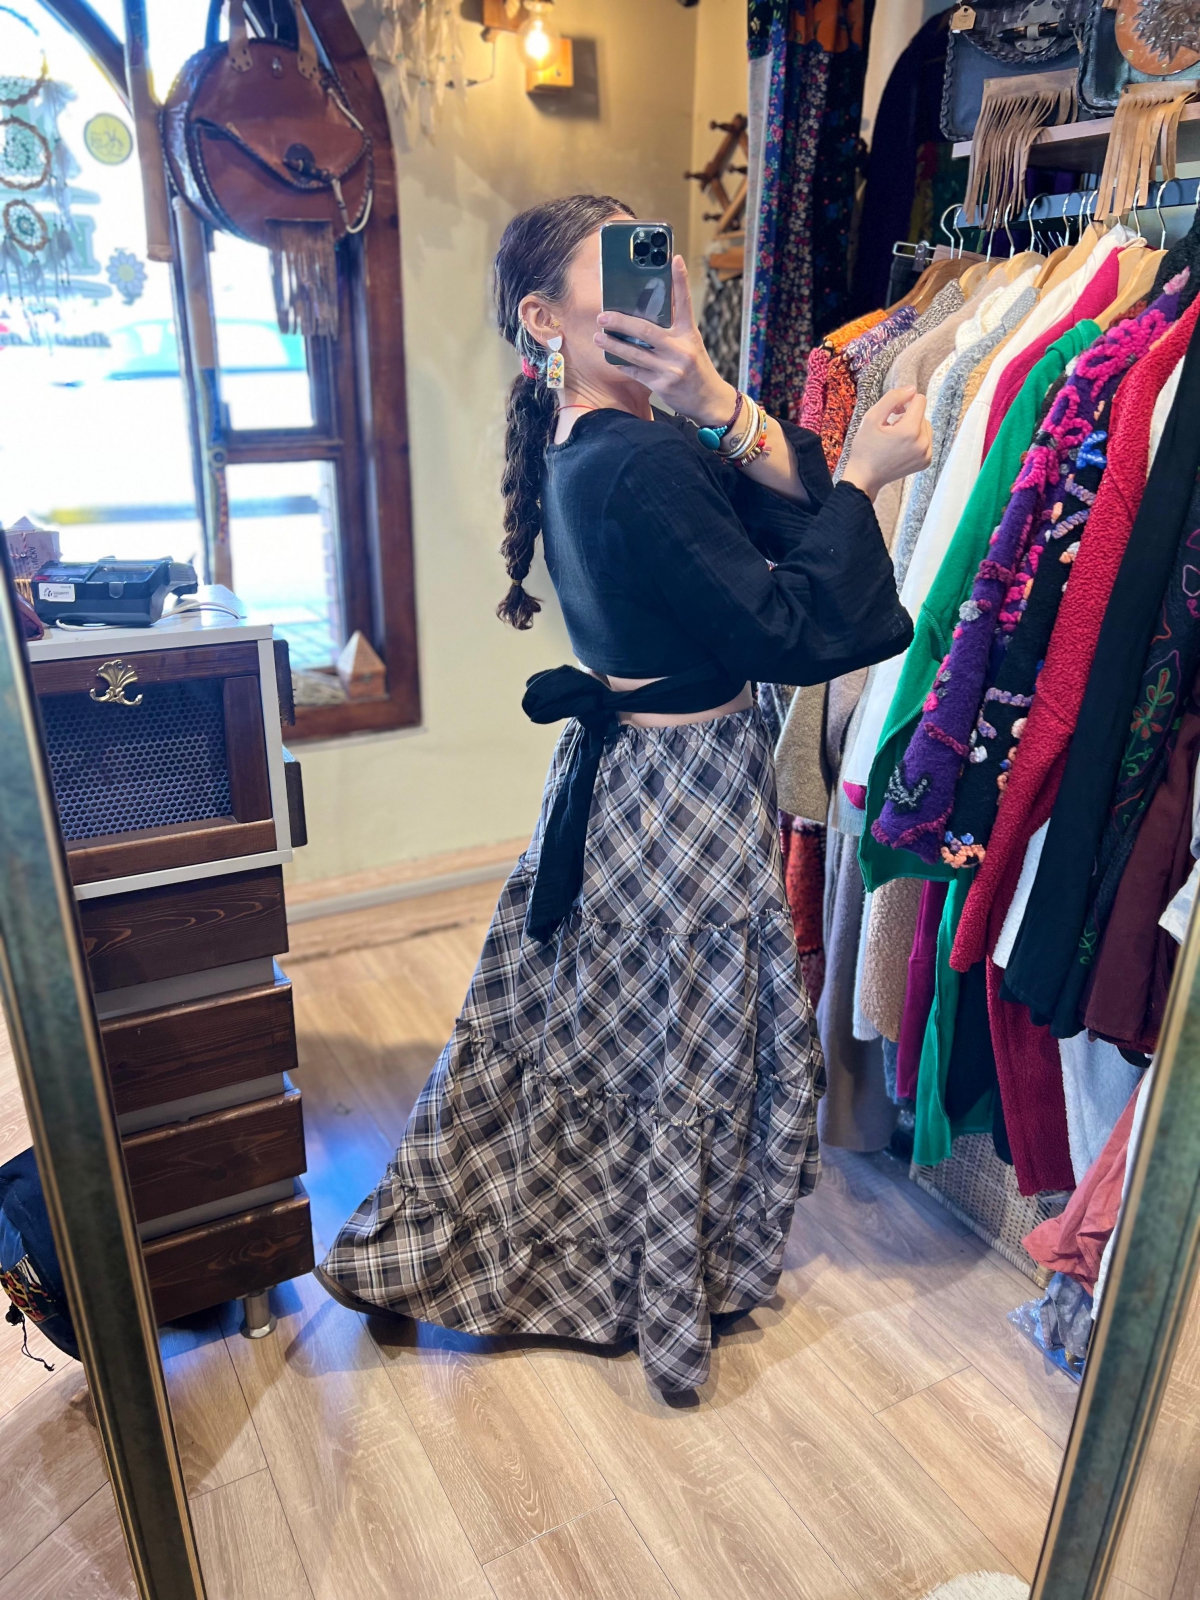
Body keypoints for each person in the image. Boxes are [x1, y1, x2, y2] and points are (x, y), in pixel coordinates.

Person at [316, 193, 932, 1392]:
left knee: (609, 1026)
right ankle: (650, 1277)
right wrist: (860, 476)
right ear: (544, 317)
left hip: (631, 779)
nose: (665, 286)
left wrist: (715, 398)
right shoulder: (642, 463)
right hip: (683, 787)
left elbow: (775, 518)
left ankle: (533, 1249)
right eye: (623, 272)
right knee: (679, 1042)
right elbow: (795, 626)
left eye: (662, 263)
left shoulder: (605, 439)